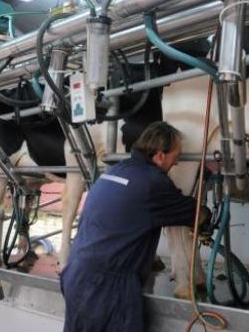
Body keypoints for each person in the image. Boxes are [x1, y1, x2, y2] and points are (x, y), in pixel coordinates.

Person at [60, 121, 208, 332]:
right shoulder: (153, 182)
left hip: (75, 274)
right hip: (108, 288)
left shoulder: (115, 170)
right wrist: (208, 216)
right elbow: (191, 213)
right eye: (176, 156)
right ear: (159, 156)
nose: (177, 163)